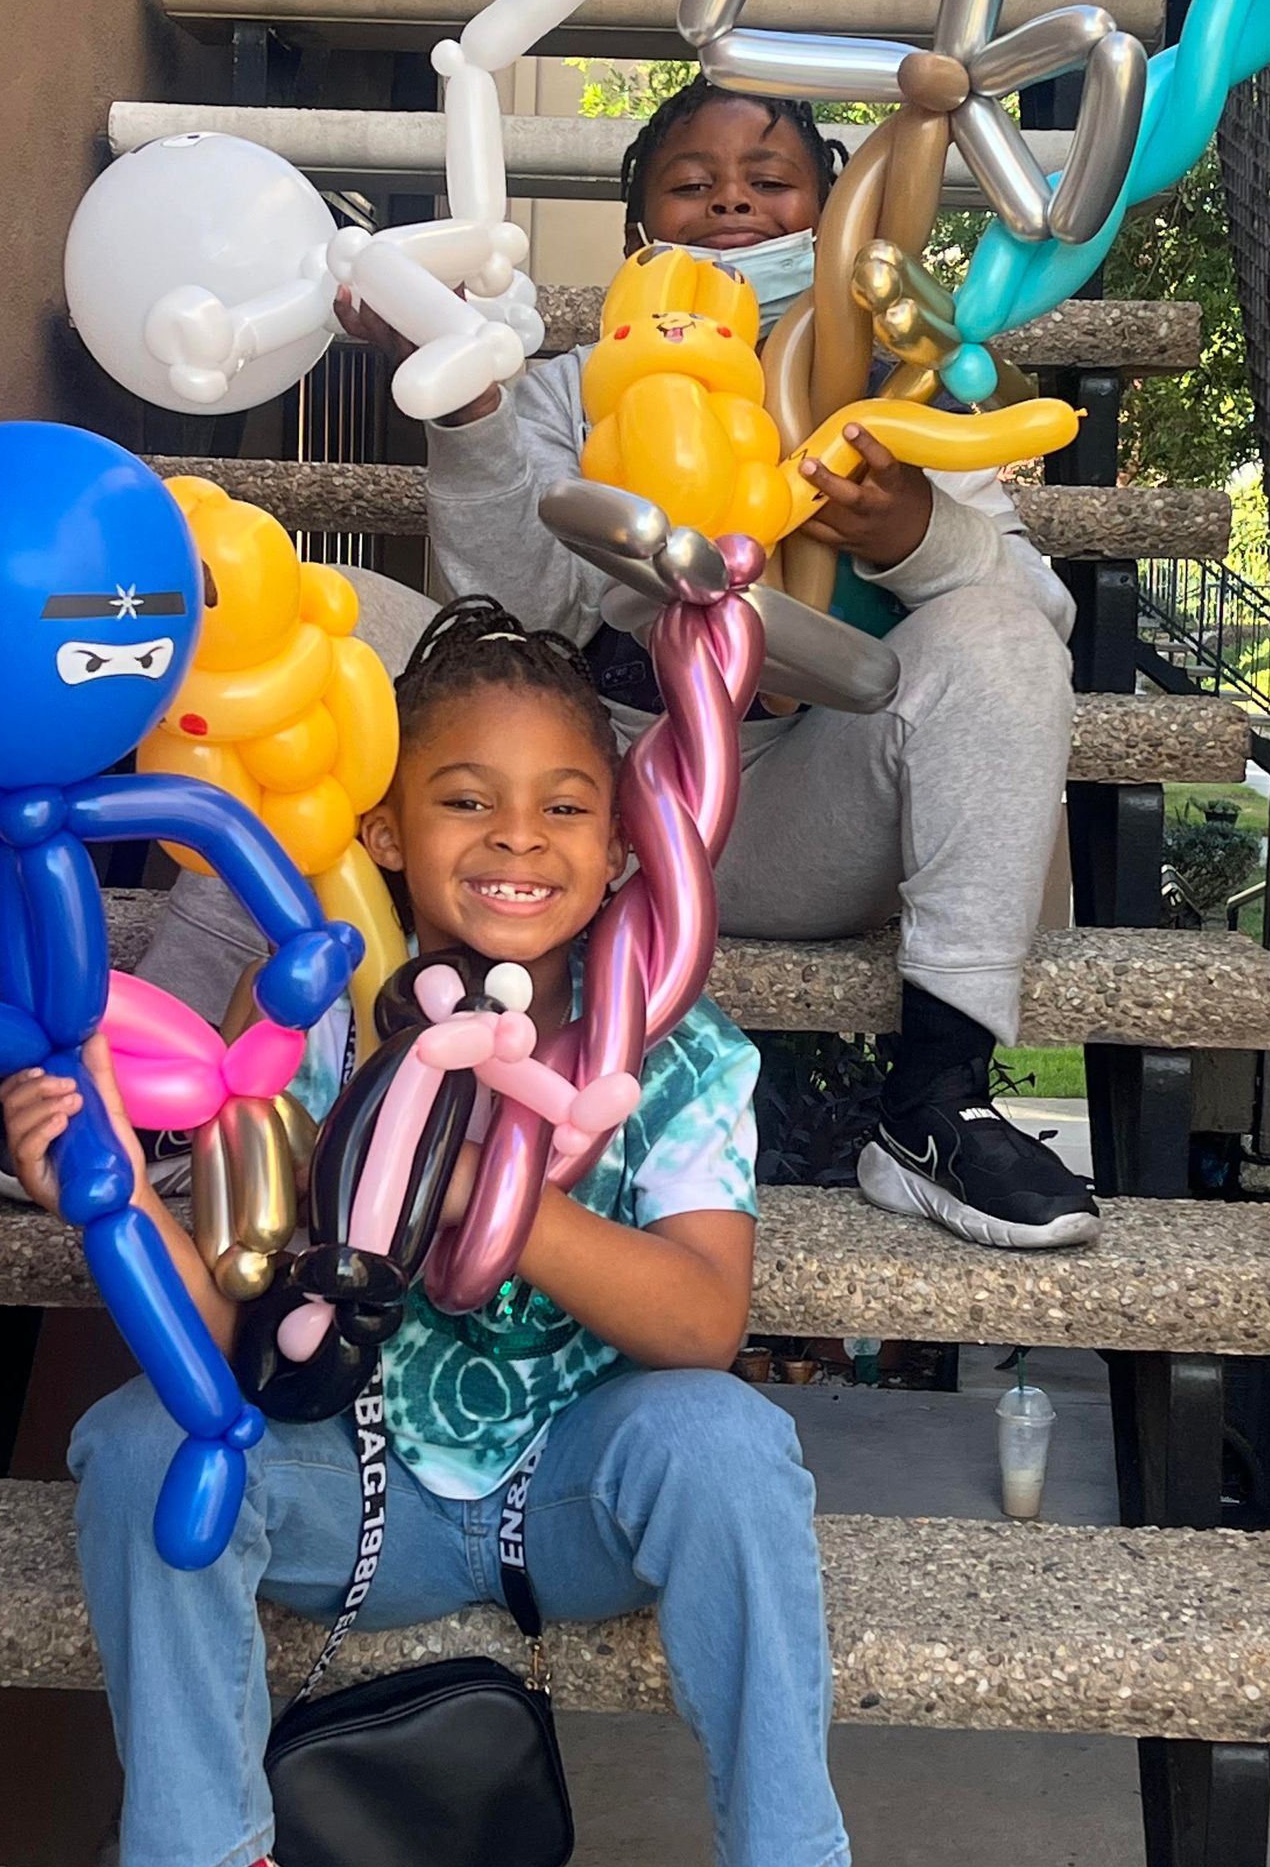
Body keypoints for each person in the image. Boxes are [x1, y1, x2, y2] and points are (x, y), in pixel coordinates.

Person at [6, 600, 866, 1867]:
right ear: (391, 832)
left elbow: (703, 1322)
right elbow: (212, 1342)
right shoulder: (317, 1034)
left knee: (729, 1446)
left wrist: (492, 1195)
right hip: (360, 1494)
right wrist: (99, 1197)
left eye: (564, 809)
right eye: (464, 800)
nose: (515, 840)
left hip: (575, 1497)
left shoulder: (675, 1053)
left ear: (617, 856)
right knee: (146, 1449)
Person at [141, 77, 1094, 1251]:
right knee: (317, 625)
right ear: (643, 237)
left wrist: (910, 534)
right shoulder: (559, 386)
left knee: (994, 636)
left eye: (770, 183)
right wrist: (476, 409)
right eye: (692, 186)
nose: (732, 201)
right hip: (571, 783)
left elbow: (1029, 615)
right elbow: (497, 618)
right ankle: (172, 1065)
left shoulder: (894, 390)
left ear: (838, 216)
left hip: (784, 810)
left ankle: (936, 1099)